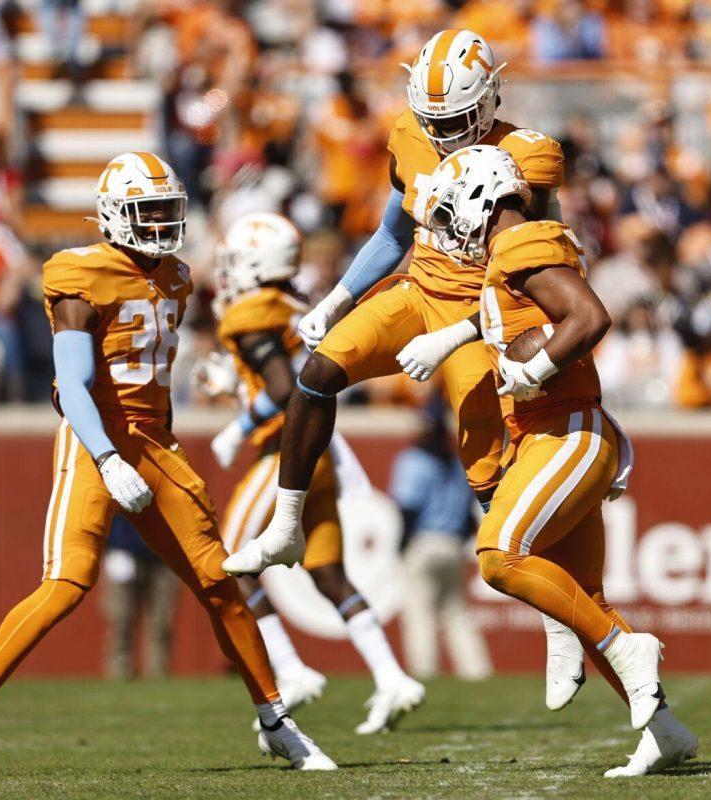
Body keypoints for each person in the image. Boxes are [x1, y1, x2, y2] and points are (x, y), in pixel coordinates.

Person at [0, 153, 335, 778]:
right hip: (97, 442)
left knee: (219, 584)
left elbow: (163, 364)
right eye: (148, 214)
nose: (161, 226)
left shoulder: (176, 275)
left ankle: (277, 722)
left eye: (169, 212)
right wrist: (109, 455)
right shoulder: (79, 273)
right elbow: (72, 382)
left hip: (155, 445)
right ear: (114, 216)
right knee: (68, 583)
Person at [224, 28, 587, 713]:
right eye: (433, 121)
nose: (442, 134)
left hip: (477, 318)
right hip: (414, 295)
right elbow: (394, 233)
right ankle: (288, 524)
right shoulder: (411, 139)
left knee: (490, 487)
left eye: (454, 121)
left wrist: (455, 334)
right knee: (315, 374)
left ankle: (555, 619)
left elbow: (543, 275)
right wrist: (335, 299)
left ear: (488, 103)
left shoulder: (525, 159)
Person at [412, 145, 699, 777]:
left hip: (565, 431)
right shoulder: (514, 254)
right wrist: (452, 338)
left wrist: (534, 370)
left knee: (500, 554)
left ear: (481, 199)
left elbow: (589, 316)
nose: (445, 229)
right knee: (585, 595)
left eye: (450, 212)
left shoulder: (520, 245)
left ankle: (629, 646)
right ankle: (665, 732)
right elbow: (515, 313)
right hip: (553, 433)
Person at [203, 211, 424, 734]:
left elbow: (283, 391)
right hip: (319, 452)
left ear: (256, 266)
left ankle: (290, 669)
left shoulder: (251, 311)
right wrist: (235, 388)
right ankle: (392, 676)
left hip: (284, 455)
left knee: (225, 562)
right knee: (327, 572)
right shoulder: (291, 305)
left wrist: (237, 426)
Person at [390, 397, 491, 681]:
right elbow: (467, 514)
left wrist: (400, 546)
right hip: (452, 545)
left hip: (423, 542)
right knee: (456, 613)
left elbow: (407, 508)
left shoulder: (413, 460)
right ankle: (477, 673)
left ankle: (424, 673)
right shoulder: (457, 462)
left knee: (419, 613)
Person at [99, 515, 179, 680]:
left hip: (164, 553)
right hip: (123, 550)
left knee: (161, 621)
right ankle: (118, 672)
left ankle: (158, 673)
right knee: (121, 618)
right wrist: (111, 546)